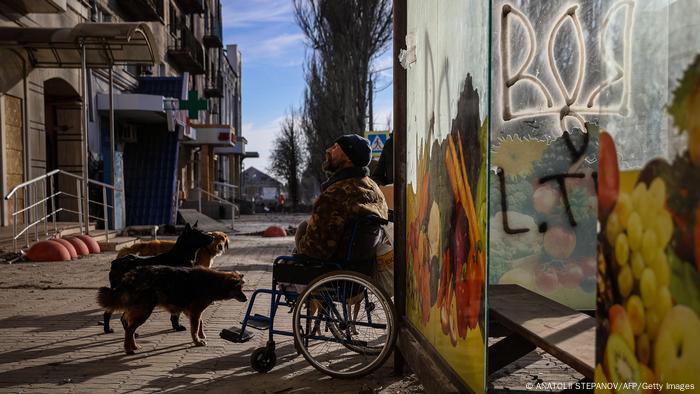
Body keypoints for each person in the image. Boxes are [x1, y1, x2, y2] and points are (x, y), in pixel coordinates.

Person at [295, 134, 389, 261]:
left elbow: (315, 250)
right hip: (361, 263)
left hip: (334, 265)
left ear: (349, 158)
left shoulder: (336, 194)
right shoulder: (373, 188)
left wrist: (300, 246)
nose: (328, 150)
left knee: (302, 227)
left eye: (335, 148)